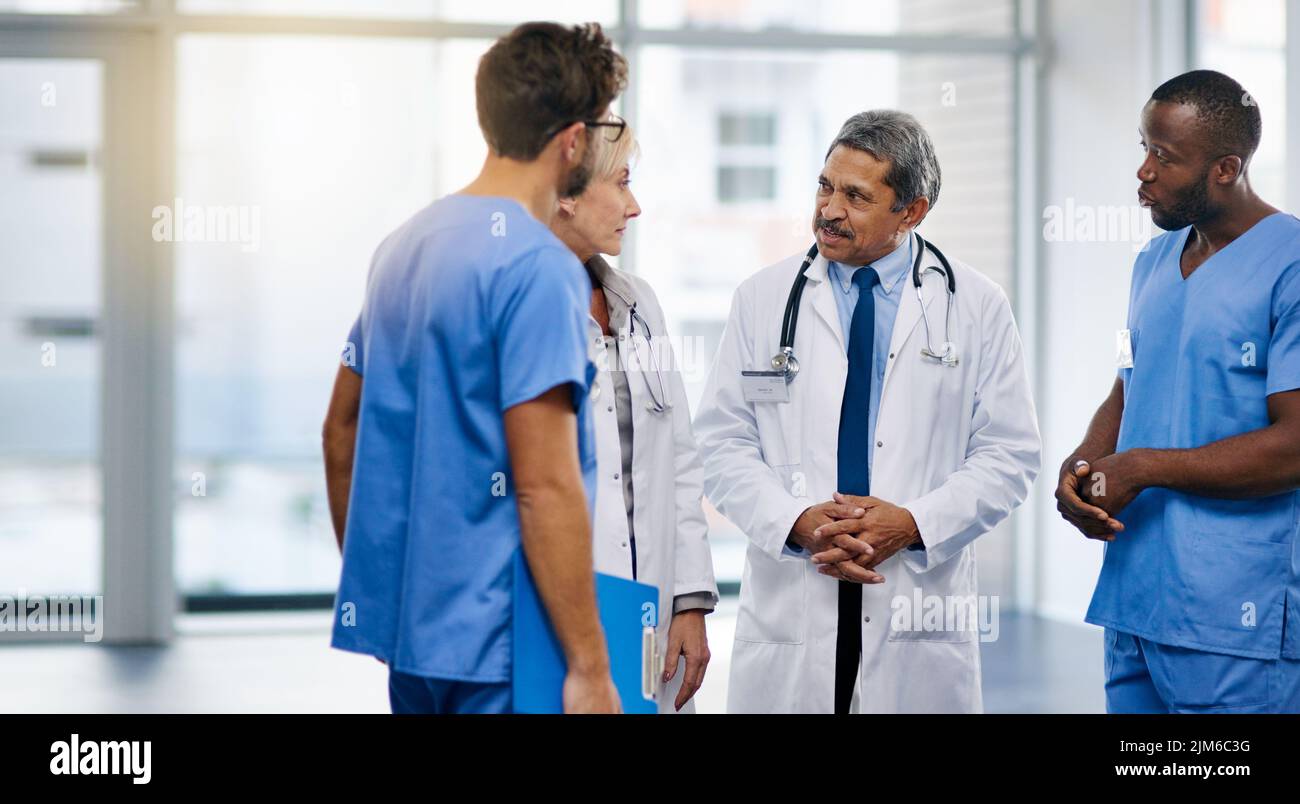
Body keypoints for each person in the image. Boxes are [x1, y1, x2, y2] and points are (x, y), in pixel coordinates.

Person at [321, 22, 628, 714]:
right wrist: (588, 666)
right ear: (573, 141)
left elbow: (340, 434)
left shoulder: (404, 246)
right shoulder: (540, 267)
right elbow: (544, 484)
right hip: (509, 648)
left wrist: (386, 599)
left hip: (417, 643)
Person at [694, 110, 1041, 714]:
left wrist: (914, 523)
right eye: (825, 186)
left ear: (912, 211)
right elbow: (722, 444)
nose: (829, 210)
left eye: (856, 196)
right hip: (796, 590)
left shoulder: (977, 306)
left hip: (915, 597)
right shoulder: (763, 298)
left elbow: (1010, 454)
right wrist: (796, 520)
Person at [1056, 70, 1300, 713]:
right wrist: (1085, 462)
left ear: (1226, 167)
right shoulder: (1154, 261)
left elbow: (1295, 446)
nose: (1143, 171)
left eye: (1164, 156)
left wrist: (1141, 467)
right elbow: (1128, 384)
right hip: (1136, 600)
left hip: (1232, 617)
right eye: (1143, 147)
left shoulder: (1291, 265)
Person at [549, 123, 719, 713]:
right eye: (621, 183)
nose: (635, 205)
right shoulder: (519, 310)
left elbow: (680, 459)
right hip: (563, 618)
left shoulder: (638, 305)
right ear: (567, 193)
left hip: (653, 611)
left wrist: (690, 602)